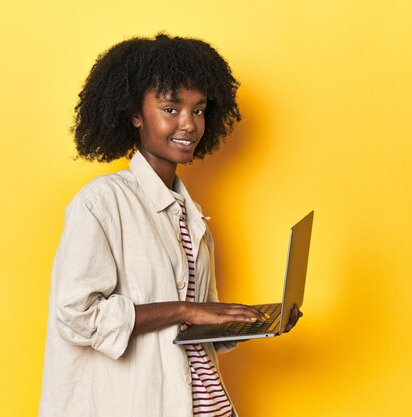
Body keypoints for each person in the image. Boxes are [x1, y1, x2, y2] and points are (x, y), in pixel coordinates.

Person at [39, 34, 300, 417]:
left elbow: (195, 325)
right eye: (170, 108)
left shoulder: (190, 214)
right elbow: (78, 316)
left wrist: (247, 320)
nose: (189, 124)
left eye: (198, 110)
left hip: (201, 401)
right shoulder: (102, 202)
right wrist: (185, 310)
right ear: (135, 115)